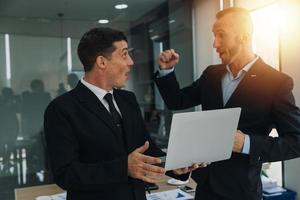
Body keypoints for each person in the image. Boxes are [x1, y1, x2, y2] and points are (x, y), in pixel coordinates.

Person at [154, 7, 300, 200]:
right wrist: (166, 72)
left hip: (241, 191)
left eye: (221, 35)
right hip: (205, 187)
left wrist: (246, 143)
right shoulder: (212, 74)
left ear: (244, 37)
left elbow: (296, 141)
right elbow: (177, 101)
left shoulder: (276, 82)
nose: (215, 44)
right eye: (214, 35)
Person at [44, 27, 198, 200]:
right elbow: (65, 174)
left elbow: (147, 149)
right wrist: (123, 168)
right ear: (102, 62)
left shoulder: (128, 99)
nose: (131, 62)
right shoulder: (61, 109)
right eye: (124, 55)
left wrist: (173, 165)